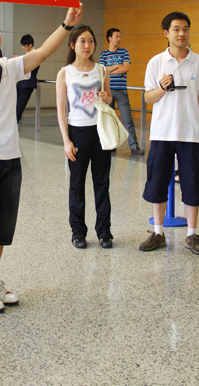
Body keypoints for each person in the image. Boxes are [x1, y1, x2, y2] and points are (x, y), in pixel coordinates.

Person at [0, 0, 82, 313]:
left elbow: (43, 52)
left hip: (11, 159)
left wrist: (67, 24)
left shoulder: (8, 67)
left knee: (2, 228)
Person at [139, 12, 199, 255]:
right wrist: (161, 87)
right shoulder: (156, 62)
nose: (181, 33)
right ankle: (158, 232)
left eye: (185, 29)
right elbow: (148, 98)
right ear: (166, 33)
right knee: (157, 182)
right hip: (162, 133)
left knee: (192, 184)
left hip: (190, 134)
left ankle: (192, 235)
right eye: (176, 29)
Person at [56, 24, 113, 249]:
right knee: (77, 184)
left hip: (100, 132)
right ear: (73, 44)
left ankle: (104, 232)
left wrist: (106, 97)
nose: (87, 45)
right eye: (82, 41)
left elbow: (109, 98)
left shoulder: (102, 70)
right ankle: (78, 232)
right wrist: (66, 140)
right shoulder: (65, 73)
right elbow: (61, 109)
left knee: (102, 183)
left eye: (90, 41)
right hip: (77, 132)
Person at [99, 28, 144, 155]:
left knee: (127, 119)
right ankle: (111, 144)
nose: (119, 39)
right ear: (110, 38)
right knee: (109, 119)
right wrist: (117, 66)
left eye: (120, 36)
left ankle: (134, 146)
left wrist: (111, 70)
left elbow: (126, 68)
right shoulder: (103, 54)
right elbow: (102, 70)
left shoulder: (124, 52)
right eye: (116, 36)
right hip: (108, 91)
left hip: (121, 90)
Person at [16, 34, 40, 122]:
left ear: (30, 45)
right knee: (13, 104)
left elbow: (31, 67)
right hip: (20, 82)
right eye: (22, 46)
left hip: (28, 83)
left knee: (19, 107)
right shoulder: (26, 55)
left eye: (25, 46)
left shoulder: (36, 54)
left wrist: (20, 60)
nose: (23, 48)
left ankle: (13, 124)